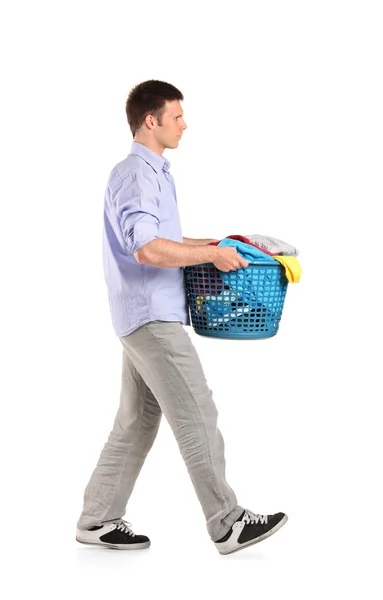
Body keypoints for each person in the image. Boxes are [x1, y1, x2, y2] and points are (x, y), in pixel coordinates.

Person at [75, 80, 288, 555]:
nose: (184, 124)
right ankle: (227, 522)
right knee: (197, 410)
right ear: (150, 120)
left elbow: (163, 237)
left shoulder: (154, 172)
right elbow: (148, 248)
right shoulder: (135, 173)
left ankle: (97, 518)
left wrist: (218, 246)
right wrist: (209, 255)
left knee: (137, 421)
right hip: (153, 317)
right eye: (176, 116)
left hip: (143, 314)